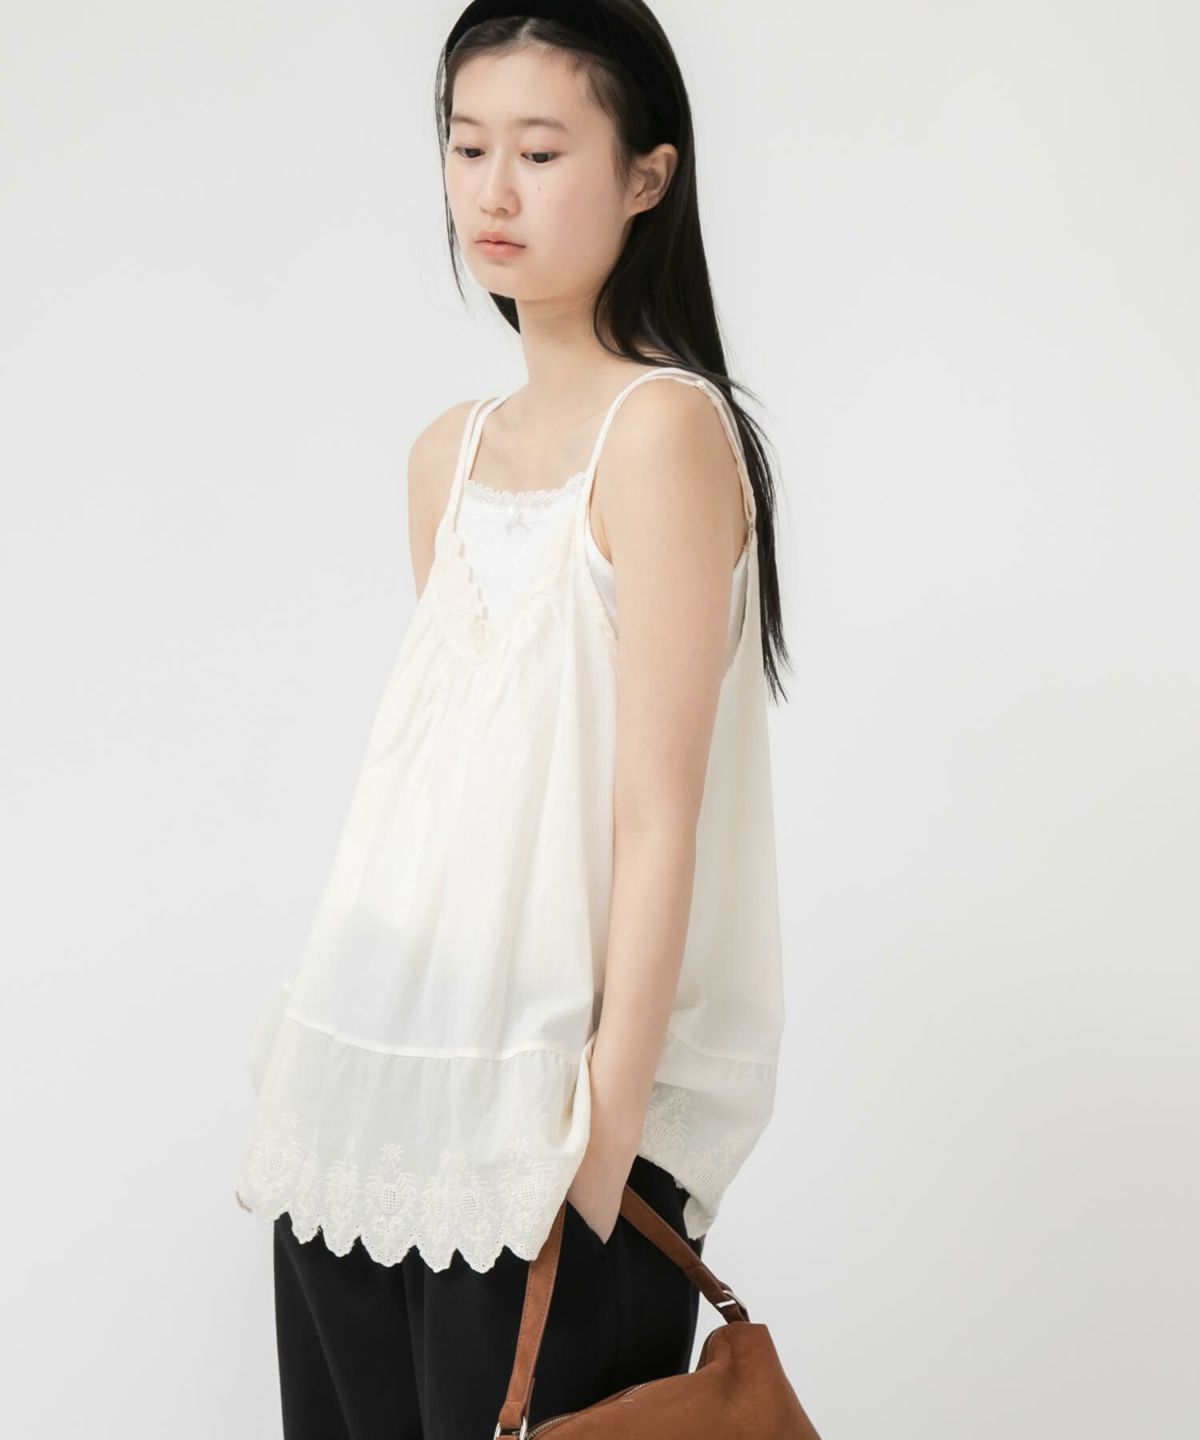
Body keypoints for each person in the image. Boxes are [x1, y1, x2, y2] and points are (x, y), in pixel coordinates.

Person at [234, 2, 793, 1435]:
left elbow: (656, 812)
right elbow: (459, 789)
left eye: (540, 152)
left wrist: (604, 1140)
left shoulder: (664, 432)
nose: (493, 190)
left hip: (545, 1130)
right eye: (467, 145)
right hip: (361, 1099)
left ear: (647, 176)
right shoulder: (448, 454)